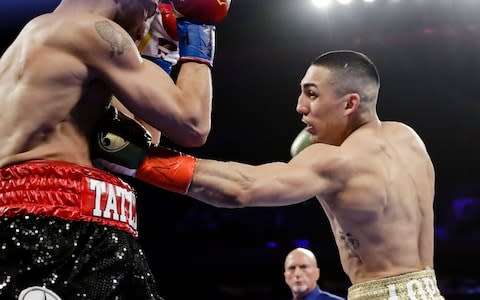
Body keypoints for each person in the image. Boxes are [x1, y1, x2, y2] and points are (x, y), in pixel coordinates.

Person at [99, 50, 445, 299]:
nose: (299, 105)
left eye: (312, 94)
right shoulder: (409, 139)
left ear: (350, 103)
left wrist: (138, 160)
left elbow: (242, 189)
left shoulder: (335, 161)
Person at [0, 0, 224, 298]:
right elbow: (193, 124)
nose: (152, 19)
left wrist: (161, 56)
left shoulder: (51, 40)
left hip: (65, 218)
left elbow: (142, 136)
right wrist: (197, 31)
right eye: (150, 9)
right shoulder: (92, 32)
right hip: (53, 222)